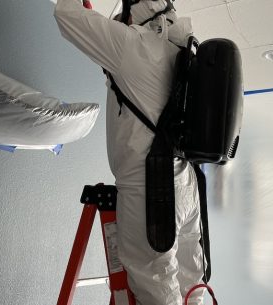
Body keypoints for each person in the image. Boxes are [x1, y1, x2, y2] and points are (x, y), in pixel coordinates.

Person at [54, 1, 205, 304]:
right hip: (185, 184)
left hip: (151, 188)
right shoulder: (182, 50)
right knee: (192, 282)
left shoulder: (132, 45)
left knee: (156, 284)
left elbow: (66, 14)